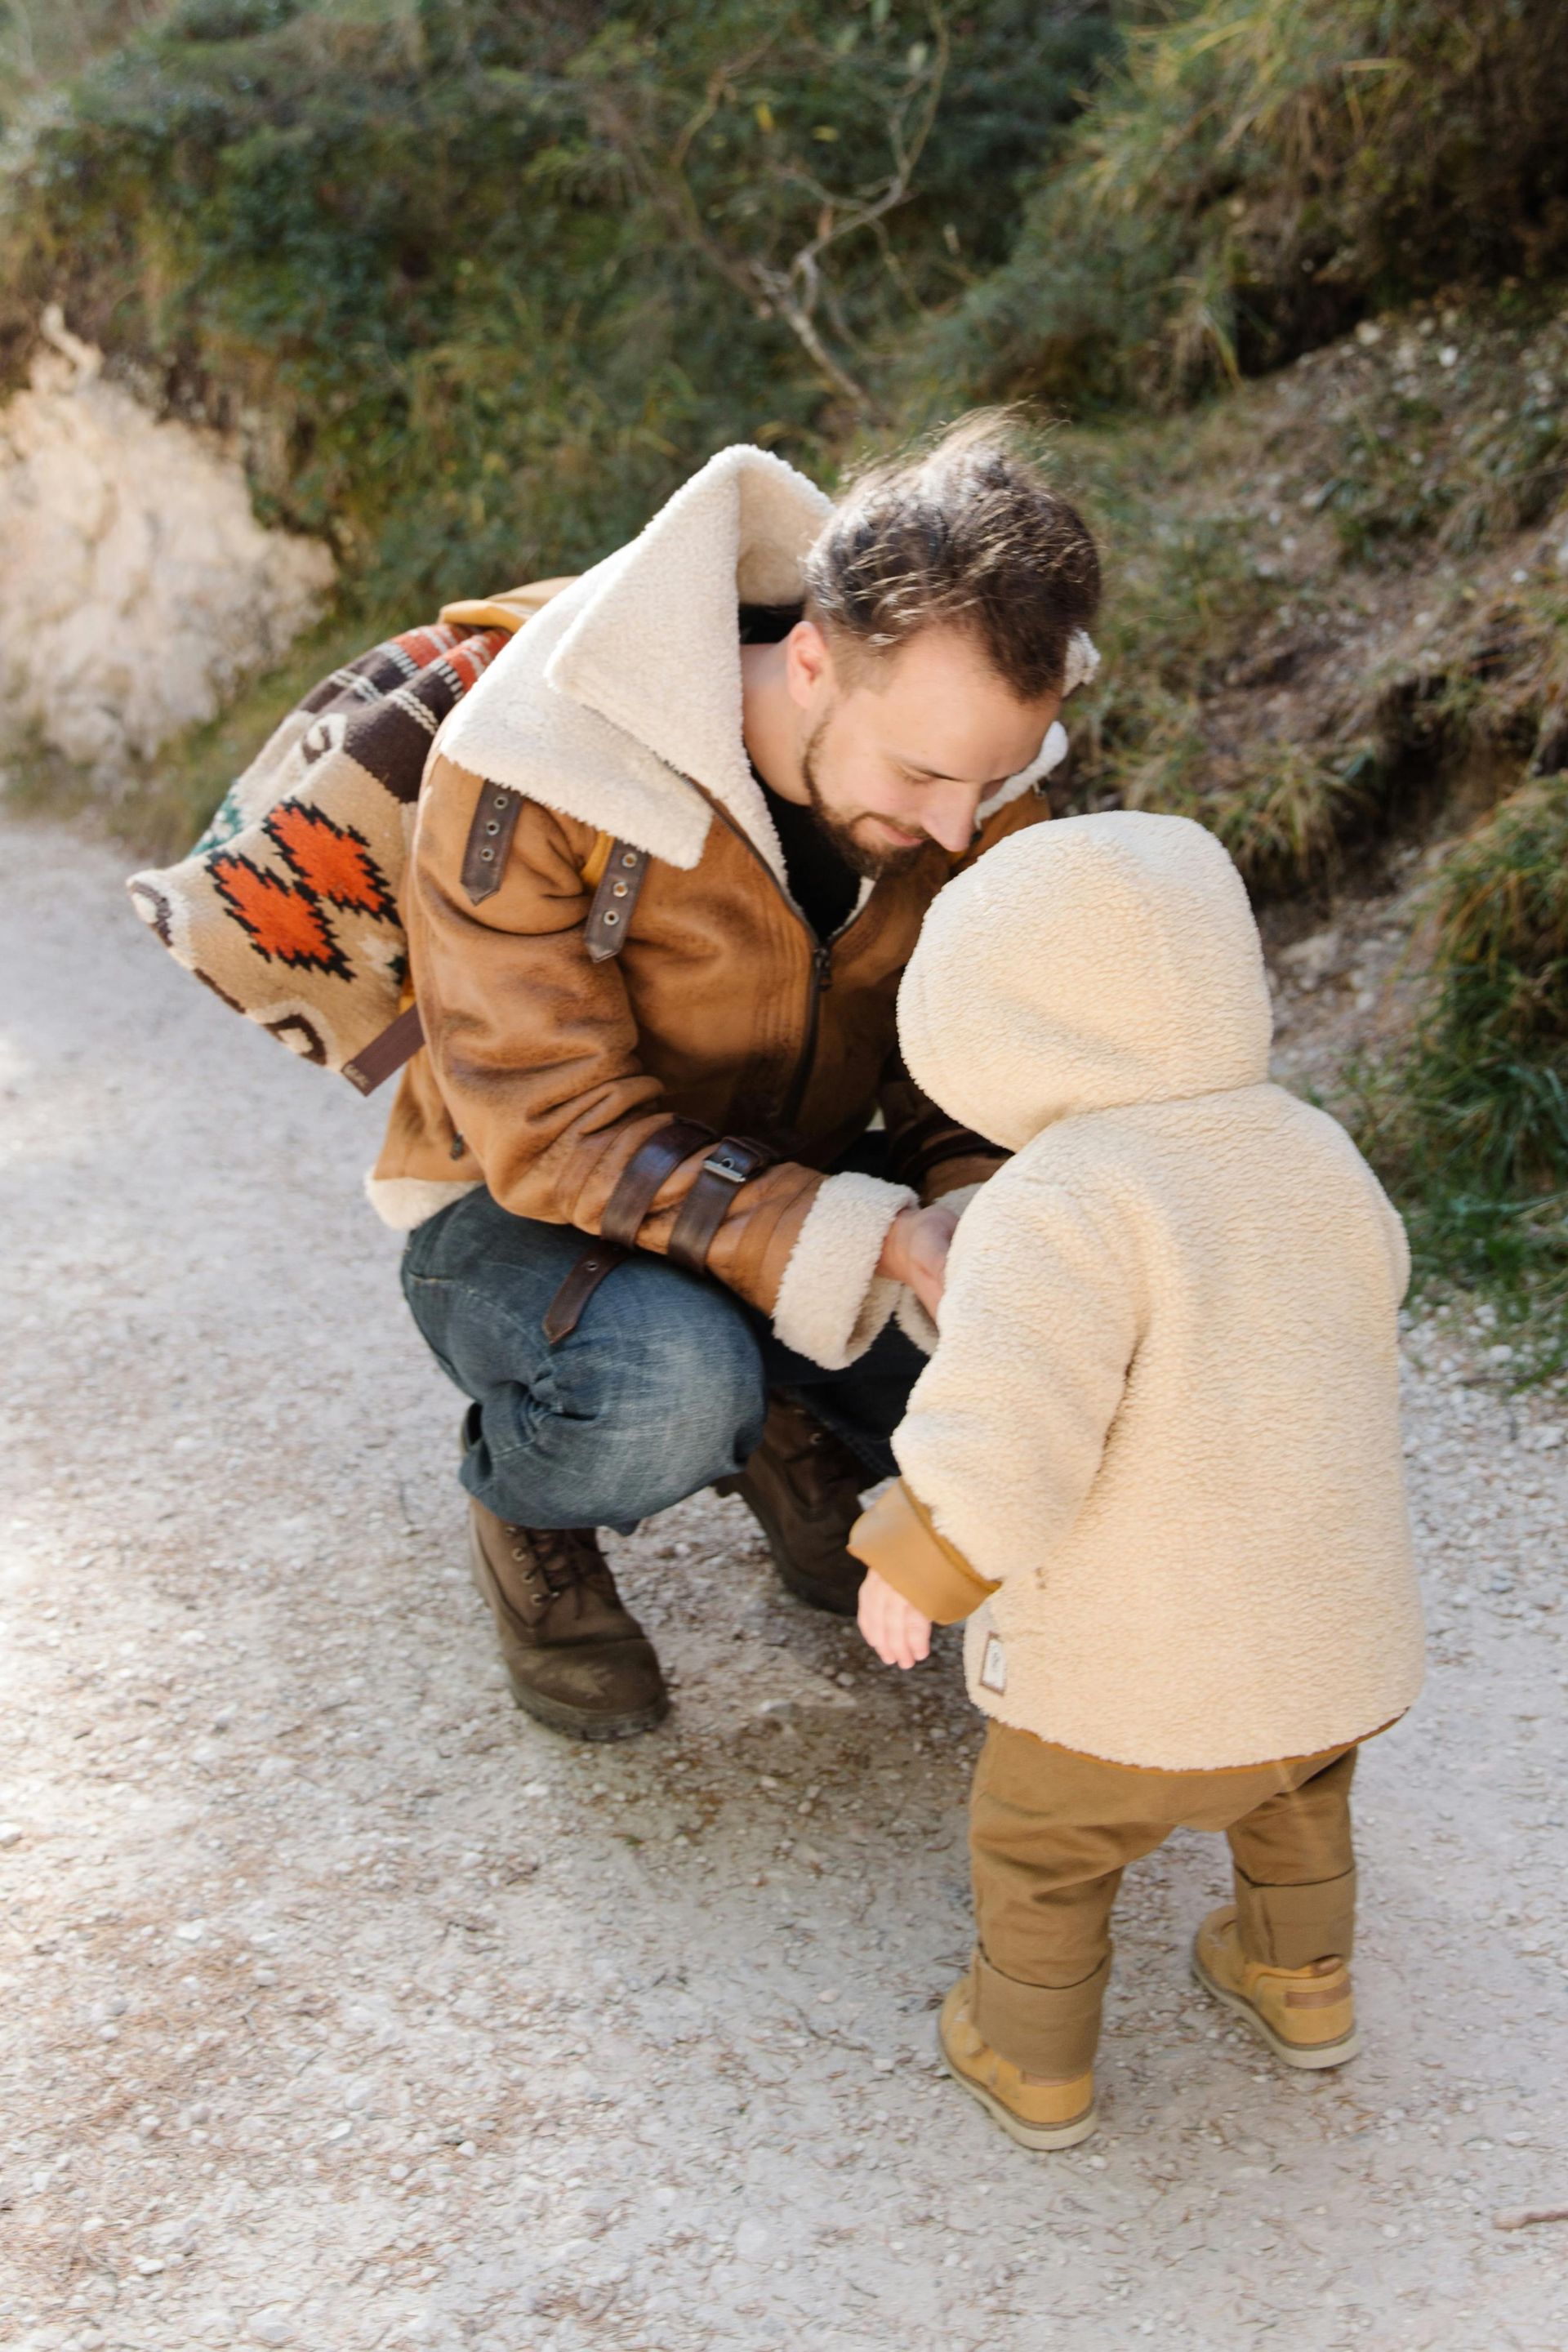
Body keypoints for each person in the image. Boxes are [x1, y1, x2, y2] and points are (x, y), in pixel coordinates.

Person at [376, 414, 1102, 1740]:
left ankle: (781, 1412)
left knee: (1036, 1356)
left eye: (994, 781)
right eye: (927, 774)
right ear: (812, 662)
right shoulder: (533, 760)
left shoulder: (977, 783)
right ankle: (526, 1501)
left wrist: (980, 1218)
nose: (957, 825)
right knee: (663, 1393)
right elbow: (554, 1130)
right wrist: (884, 1238)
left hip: (800, 1183)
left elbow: (983, 1048)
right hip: (521, 1209)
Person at [849, 812, 1424, 2149]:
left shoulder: (1063, 1200)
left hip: (1133, 1673)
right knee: (1297, 1796)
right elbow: (1369, 1303)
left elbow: (1010, 1425)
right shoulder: (1311, 1149)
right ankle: (1301, 1983)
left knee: (1043, 1849)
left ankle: (1033, 2053)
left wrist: (919, 1556)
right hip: (1319, 1647)